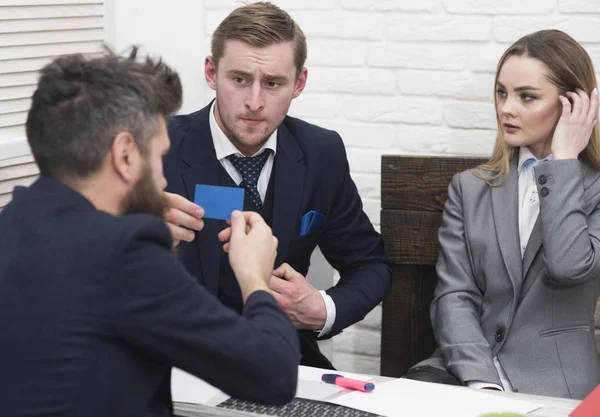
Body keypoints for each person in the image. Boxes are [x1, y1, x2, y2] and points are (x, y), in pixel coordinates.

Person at [0, 48, 300, 417]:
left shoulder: (13, 219)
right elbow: (273, 375)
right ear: (126, 155)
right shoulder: (124, 254)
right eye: (158, 157)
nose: (161, 178)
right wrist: (254, 275)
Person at [163, 1, 392, 369]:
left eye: (273, 83)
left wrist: (323, 309)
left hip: (283, 360)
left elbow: (370, 265)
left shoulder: (322, 152)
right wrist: (130, 228)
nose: (255, 102)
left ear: (299, 83)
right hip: (172, 364)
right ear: (211, 72)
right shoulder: (155, 147)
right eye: (239, 79)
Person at [404, 29, 600, 400]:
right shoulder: (470, 188)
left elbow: (568, 267)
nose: (506, 108)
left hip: (556, 387)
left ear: (573, 103)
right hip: (465, 374)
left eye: (526, 96)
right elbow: (454, 295)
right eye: (501, 92)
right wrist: (482, 381)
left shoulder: (596, 190)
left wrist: (564, 164)